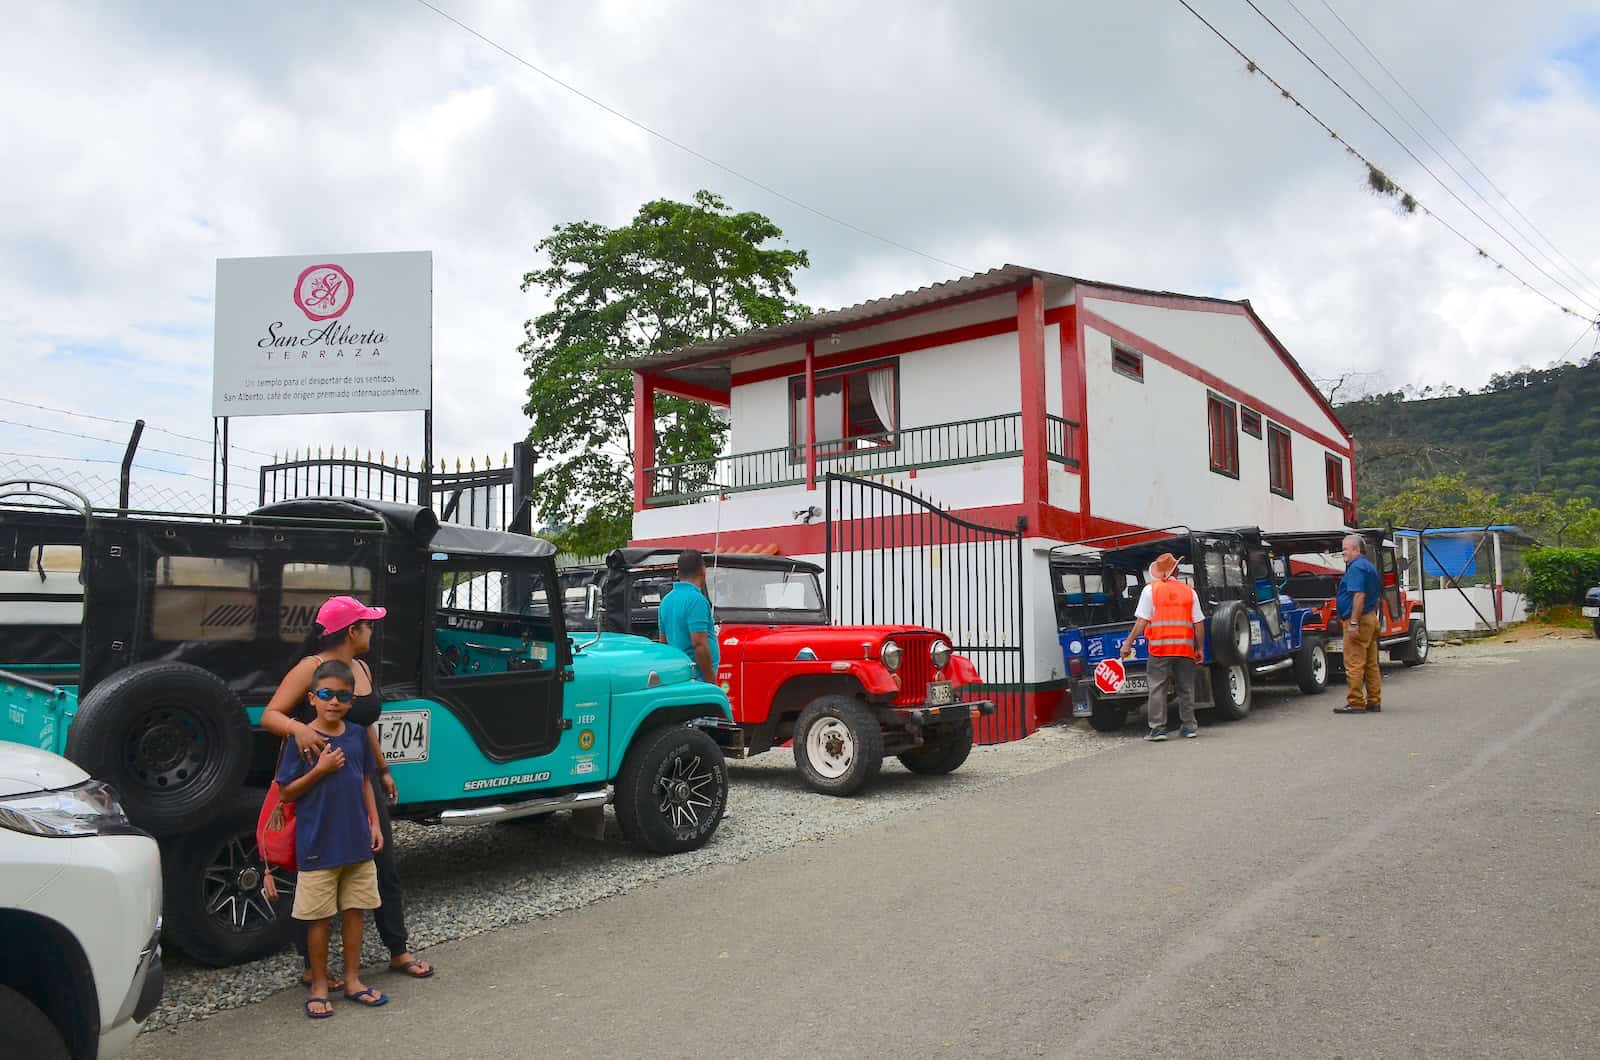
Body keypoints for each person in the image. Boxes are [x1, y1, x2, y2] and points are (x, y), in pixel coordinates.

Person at [262, 595, 436, 986]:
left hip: (359, 779)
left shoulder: (360, 667)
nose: (373, 630)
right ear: (352, 631)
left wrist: (383, 768)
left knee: (382, 863)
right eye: (368, 624)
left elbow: (362, 725)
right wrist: (300, 729)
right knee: (316, 870)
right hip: (318, 783)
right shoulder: (312, 668)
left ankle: (397, 949)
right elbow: (271, 714)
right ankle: (312, 967)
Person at [269, 659, 385, 1018]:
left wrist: (375, 824)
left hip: (356, 842)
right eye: (325, 694)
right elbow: (286, 793)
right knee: (318, 918)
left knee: (355, 912)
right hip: (318, 844)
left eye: (342, 696)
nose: (334, 701)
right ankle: (319, 983)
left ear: (351, 701)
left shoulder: (354, 734)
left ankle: (353, 979)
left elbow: (365, 780)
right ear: (311, 698)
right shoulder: (300, 738)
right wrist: (319, 771)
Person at [1120, 553, 1206, 741]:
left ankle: (1158, 729)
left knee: (1157, 687)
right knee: (1186, 687)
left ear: (1160, 572)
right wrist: (1200, 648)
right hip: (1184, 648)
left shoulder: (1150, 591)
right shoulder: (1189, 591)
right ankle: (1189, 726)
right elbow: (1198, 623)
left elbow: (1142, 621)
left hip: (1159, 650)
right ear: (1175, 569)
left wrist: (1128, 643)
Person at [1334, 534, 1383, 714]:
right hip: (1370, 618)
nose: (1343, 552)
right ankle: (1374, 701)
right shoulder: (1369, 567)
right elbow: (1375, 595)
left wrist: (1353, 622)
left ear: (1356, 549)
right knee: (1371, 664)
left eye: (1345, 549)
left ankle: (1355, 702)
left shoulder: (1355, 568)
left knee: (1354, 663)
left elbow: (1359, 595)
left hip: (1359, 620)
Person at [659, 549, 718, 683]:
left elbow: (664, 643)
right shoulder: (697, 600)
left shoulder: (666, 601)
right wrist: (711, 683)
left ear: (678, 573)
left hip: (678, 676)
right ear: (703, 571)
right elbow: (699, 644)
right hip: (698, 678)